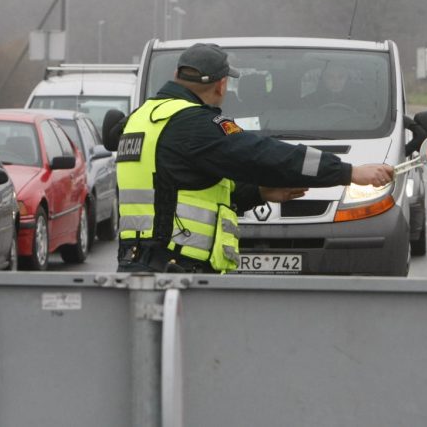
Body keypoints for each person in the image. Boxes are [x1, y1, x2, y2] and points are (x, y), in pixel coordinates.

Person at [111, 42, 395, 273]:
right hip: (177, 267)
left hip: (137, 262)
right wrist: (348, 172)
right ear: (221, 85)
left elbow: (181, 185)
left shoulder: (141, 119)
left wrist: (259, 192)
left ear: (178, 76)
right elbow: (267, 155)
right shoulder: (195, 124)